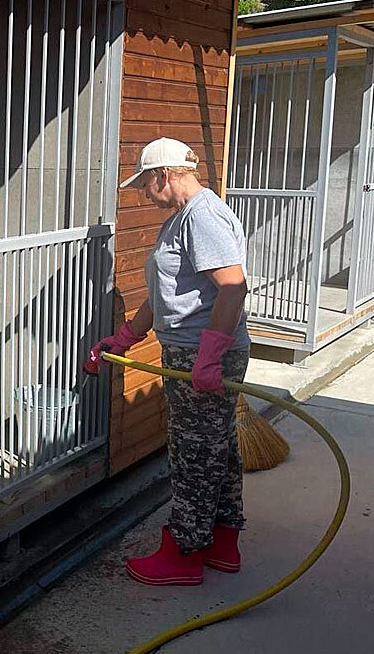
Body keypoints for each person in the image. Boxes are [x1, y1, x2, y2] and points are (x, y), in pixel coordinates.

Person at [86, 137, 250, 586]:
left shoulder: (202, 216)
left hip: (203, 353)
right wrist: (126, 337)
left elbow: (233, 287)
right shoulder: (182, 218)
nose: (143, 194)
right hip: (195, 350)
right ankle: (222, 540)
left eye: (144, 184)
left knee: (194, 453)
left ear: (164, 175)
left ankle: (185, 552)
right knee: (216, 447)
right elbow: (168, 296)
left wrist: (211, 356)